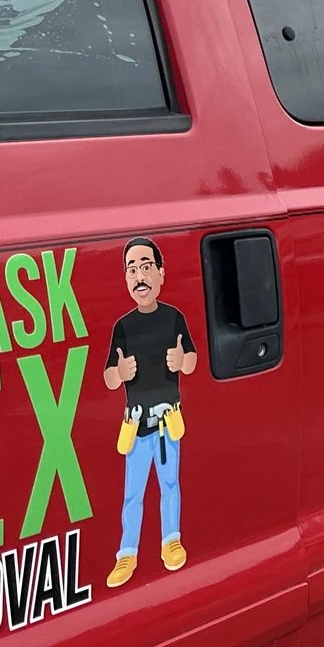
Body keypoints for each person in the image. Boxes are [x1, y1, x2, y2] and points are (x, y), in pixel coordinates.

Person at [103, 236, 196, 586]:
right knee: (133, 492)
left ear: (160, 273)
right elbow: (109, 377)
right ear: (126, 279)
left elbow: (193, 360)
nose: (139, 276)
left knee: (170, 484)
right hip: (137, 424)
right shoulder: (122, 327)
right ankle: (126, 554)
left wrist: (182, 360)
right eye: (132, 269)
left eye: (145, 267)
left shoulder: (174, 318)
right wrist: (120, 373)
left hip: (168, 420)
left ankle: (170, 541)